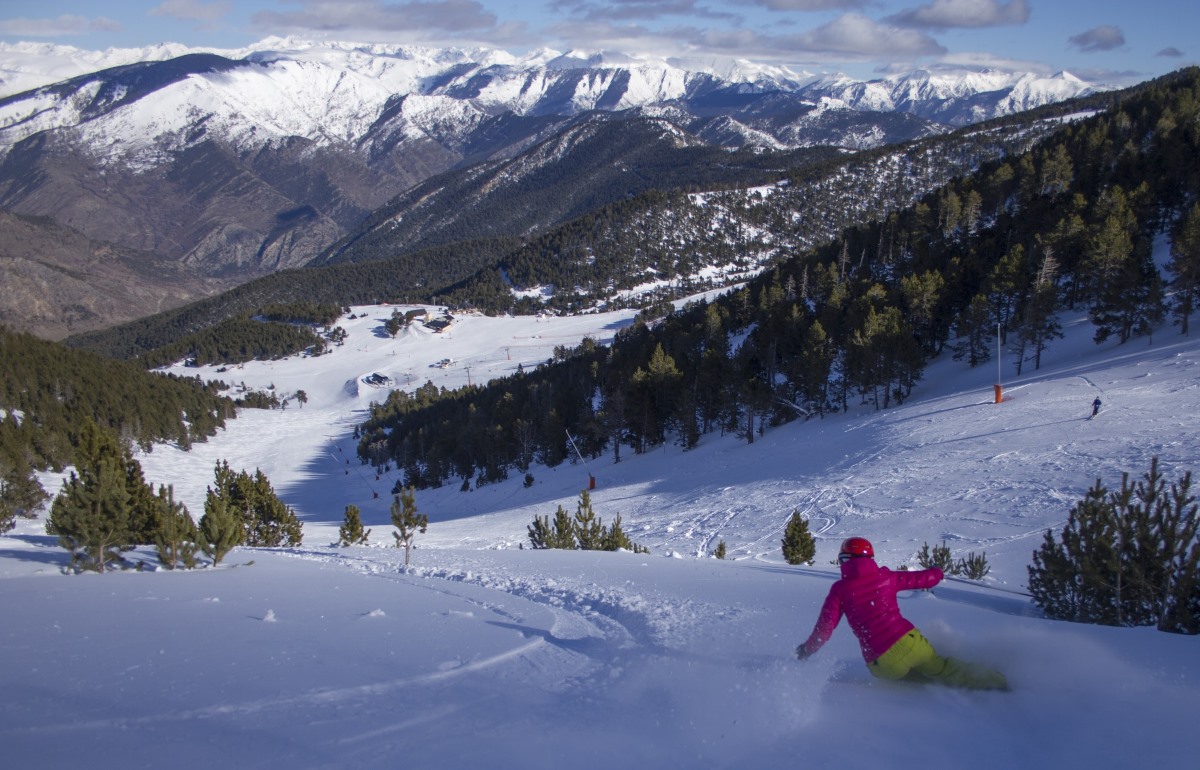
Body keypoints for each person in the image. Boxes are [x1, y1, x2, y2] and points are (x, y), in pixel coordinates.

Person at [795, 536, 1008, 690]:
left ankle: (934, 683)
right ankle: (997, 682)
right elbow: (922, 579)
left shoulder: (839, 590)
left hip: (881, 665)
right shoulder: (886, 577)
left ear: (848, 560)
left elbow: (825, 629)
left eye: (842, 559)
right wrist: (937, 571)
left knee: (917, 676)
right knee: (942, 669)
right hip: (909, 643)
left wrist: (807, 650)